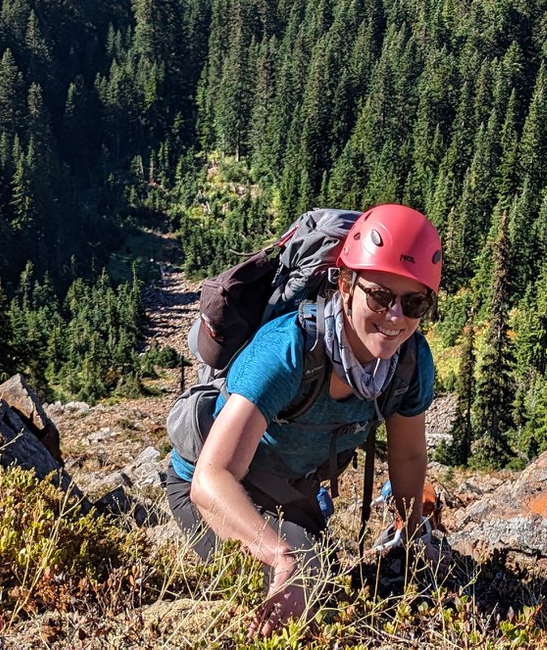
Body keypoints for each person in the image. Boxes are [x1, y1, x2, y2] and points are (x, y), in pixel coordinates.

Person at [164, 203, 442, 631]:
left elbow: (407, 457)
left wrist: (413, 536)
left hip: (287, 489)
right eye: (380, 295)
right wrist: (279, 556)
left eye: (414, 302)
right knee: (307, 595)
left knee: (324, 588)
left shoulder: (408, 363)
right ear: (346, 285)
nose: (395, 317)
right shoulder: (288, 349)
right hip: (208, 491)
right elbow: (211, 478)